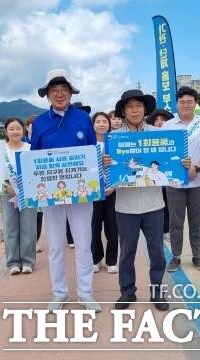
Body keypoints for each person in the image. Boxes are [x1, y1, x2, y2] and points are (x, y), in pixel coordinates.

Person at [32, 69, 101, 312]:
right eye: (54, 90)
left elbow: (92, 151)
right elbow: (34, 160)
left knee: (83, 243)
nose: (59, 94)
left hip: (82, 193)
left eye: (64, 90)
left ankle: (86, 293)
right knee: (56, 246)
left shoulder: (83, 118)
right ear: (47, 95)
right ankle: (59, 293)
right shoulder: (39, 123)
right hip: (51, 195)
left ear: (71, 93)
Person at [104, 89, 169, 311]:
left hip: (154, 204)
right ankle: (127, 291)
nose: (135, 110)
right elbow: (109, 172)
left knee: (157, 251)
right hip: (125, 206)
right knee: (127, 252)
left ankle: (157, 291)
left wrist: (183, 164)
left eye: (139, 106)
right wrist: (106, 165)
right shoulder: (113, 139)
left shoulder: (158, 134)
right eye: (130, 106)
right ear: (123, 110)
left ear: (144, 109)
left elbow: (170, 165)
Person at [163, 86, 200, 272]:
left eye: (189, 101)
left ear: (195, 103)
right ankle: (175, 256)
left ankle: (197, 255)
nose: (185, 105)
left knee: (197, 221)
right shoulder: (168, 126)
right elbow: (164, 155)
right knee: (175, 221)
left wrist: (196, 168)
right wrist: (182, 170)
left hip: (199, 182)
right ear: (177, 103)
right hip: (175, 183)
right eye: (182, 101)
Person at [2, 117, 38, 275]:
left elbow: (38, 170)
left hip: (29, 192)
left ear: (23, 130)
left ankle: (28, 261)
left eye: (18, 128)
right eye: (11, 129)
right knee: (10, 228)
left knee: (28, 227)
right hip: (7, 193)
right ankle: (13, 262)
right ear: (6, 131)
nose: (15, 131)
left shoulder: (31, 148)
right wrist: (5, 186)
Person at [90, 111, 119, 274]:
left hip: (112, 191)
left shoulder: (115, 143)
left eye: (104, 121)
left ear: (109, 124)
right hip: (94, 192)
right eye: (98, 121)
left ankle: (111, 260)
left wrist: (114, 186)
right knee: (94, 227)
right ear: (93, 125)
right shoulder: (88, 145)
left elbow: (122, 166)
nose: (101, 124)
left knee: (112, 227)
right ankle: (96, 259)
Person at [147, 109, 174, 241]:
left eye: (162, 119)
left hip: (170, 179)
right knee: (158, 207)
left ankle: (167, 230)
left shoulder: (174, 137)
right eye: (156, 120)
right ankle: (160, 230)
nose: (159, 122)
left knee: (169, 206)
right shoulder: (149, 136)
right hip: (154, 180)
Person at [25, 115, 43, 253]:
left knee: (38, 217)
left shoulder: (42, 141)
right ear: (27, 127)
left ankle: (35, 242)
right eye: (32, 125)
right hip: (26, 186)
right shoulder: (24, 144)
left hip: (41, 186)